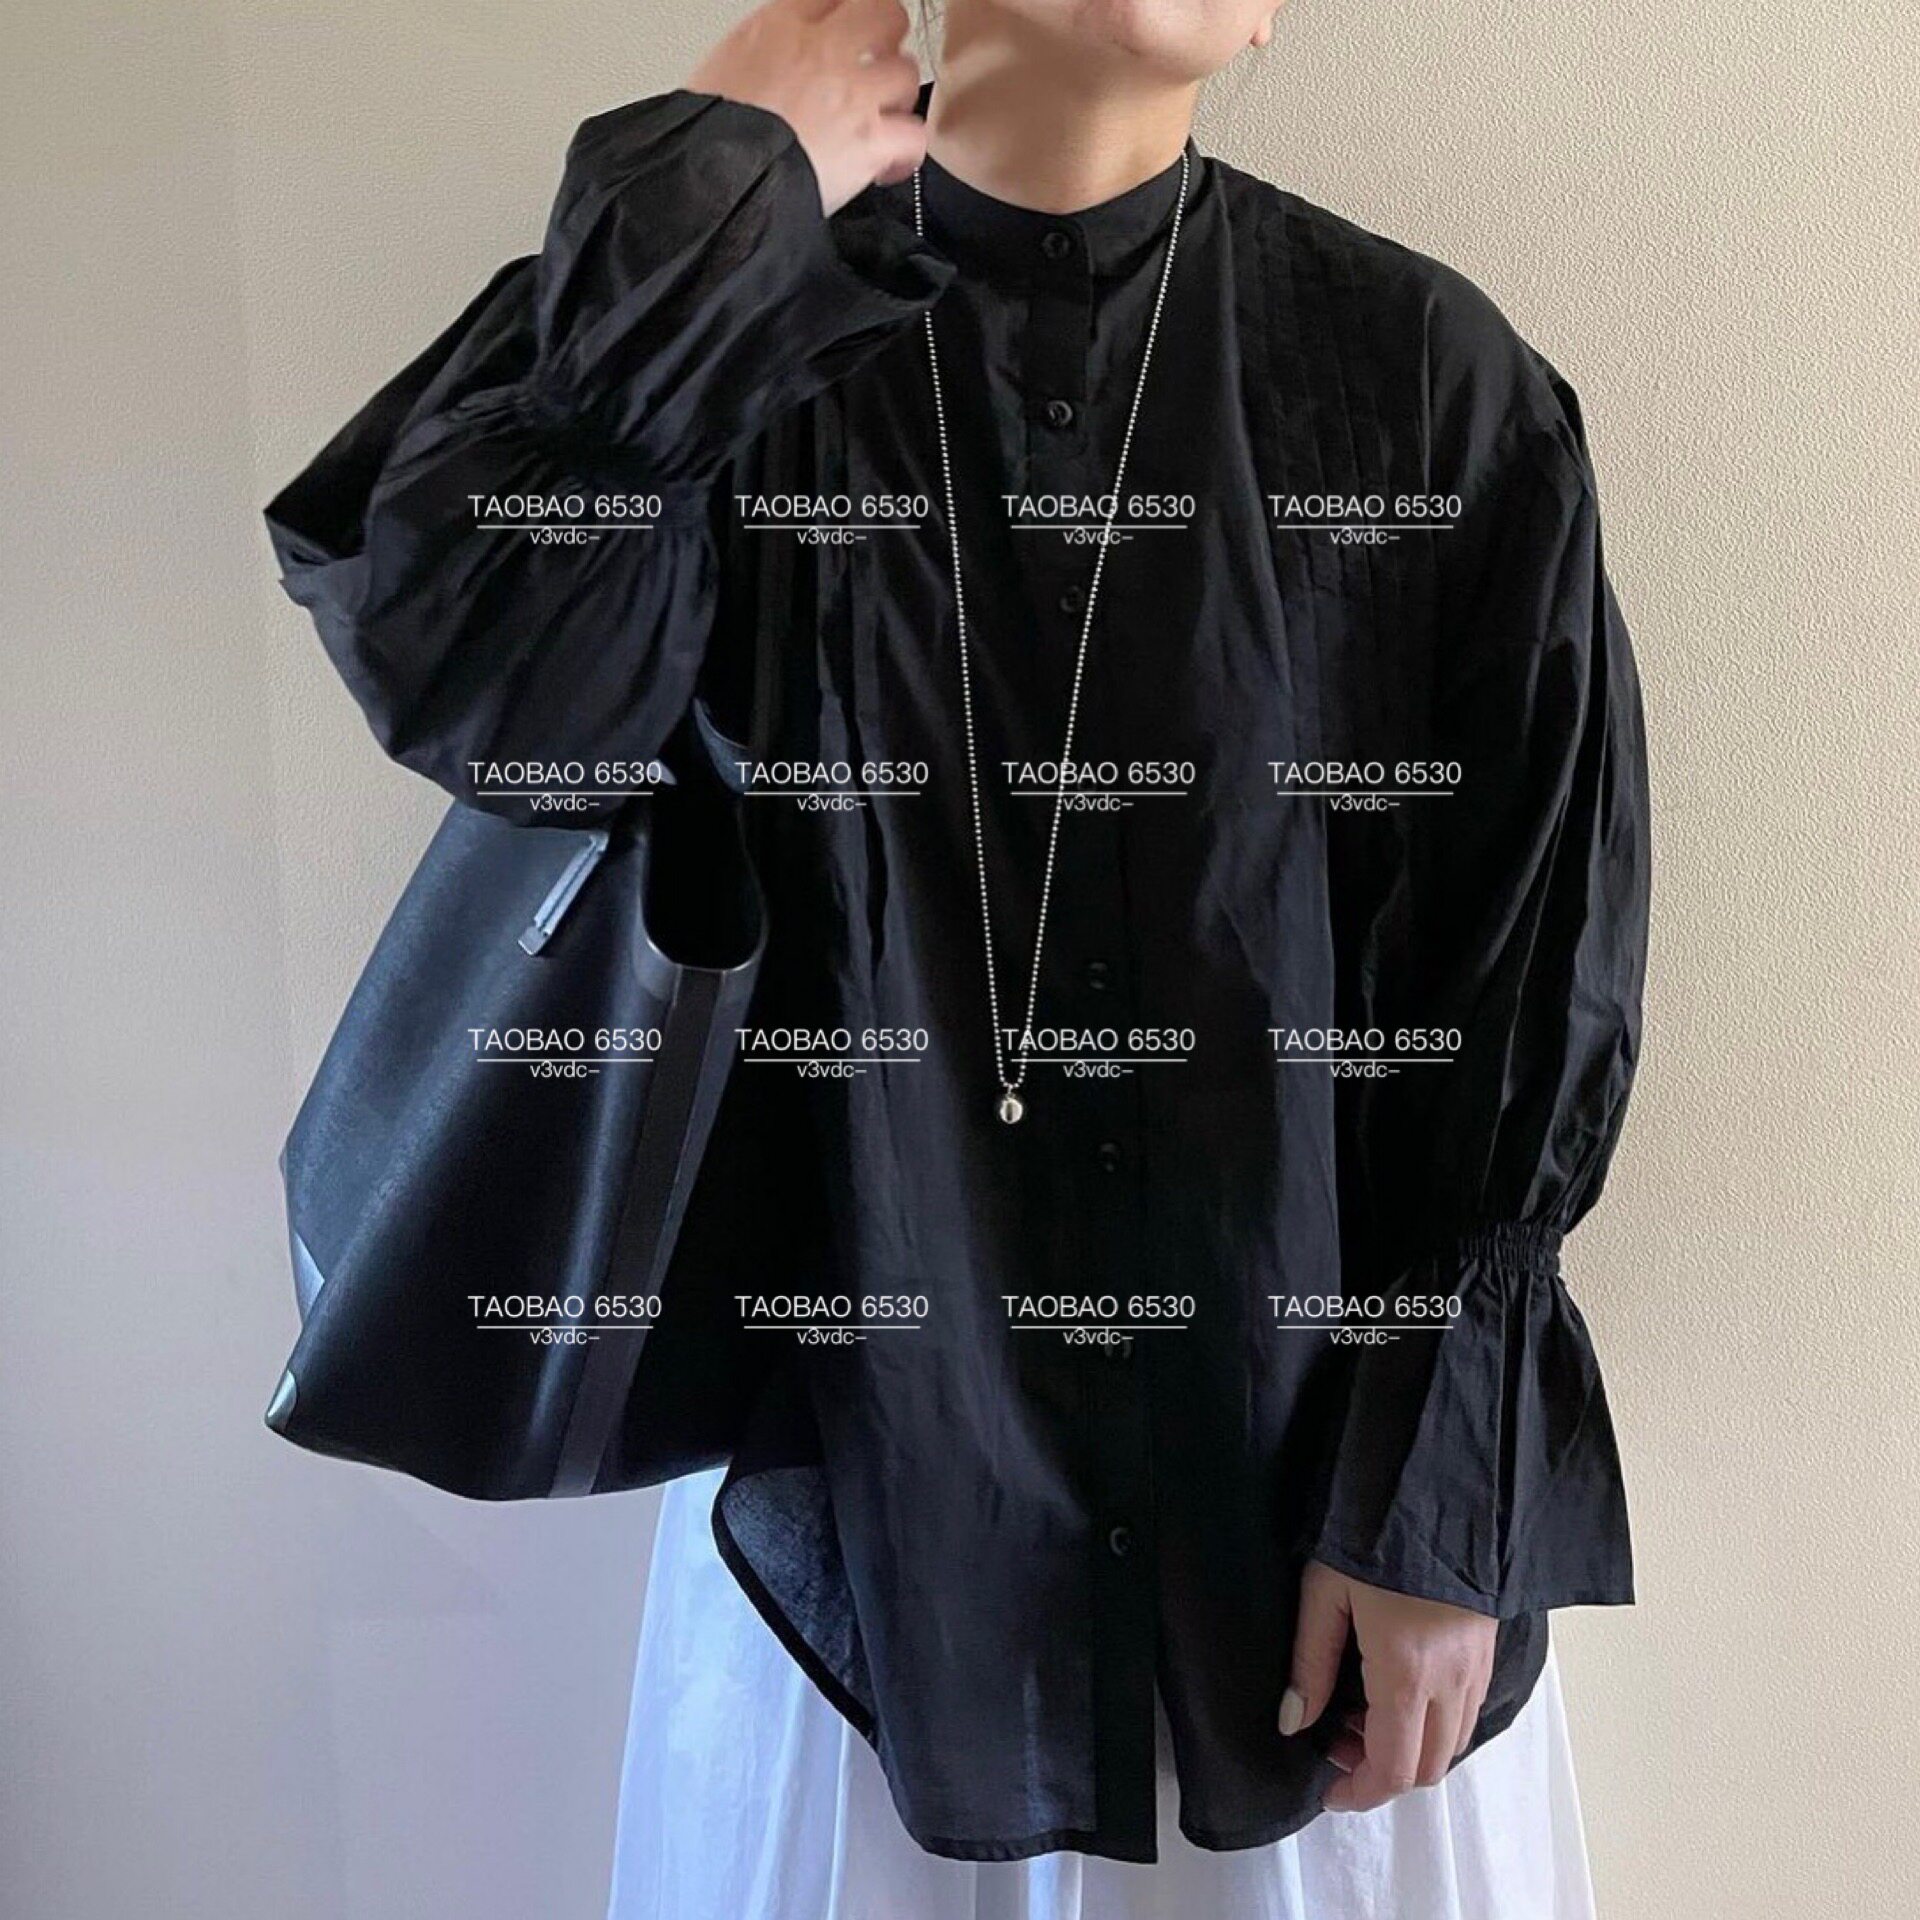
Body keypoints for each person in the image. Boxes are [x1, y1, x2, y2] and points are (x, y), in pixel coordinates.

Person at [265, 2, 1650, 1914]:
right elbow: (487, 693)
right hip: (858, 1562)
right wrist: (708, 197)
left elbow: (1528, 973)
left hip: (1311, 1560)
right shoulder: (733, 336)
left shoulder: (1425, 383)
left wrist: (1441, 1500)